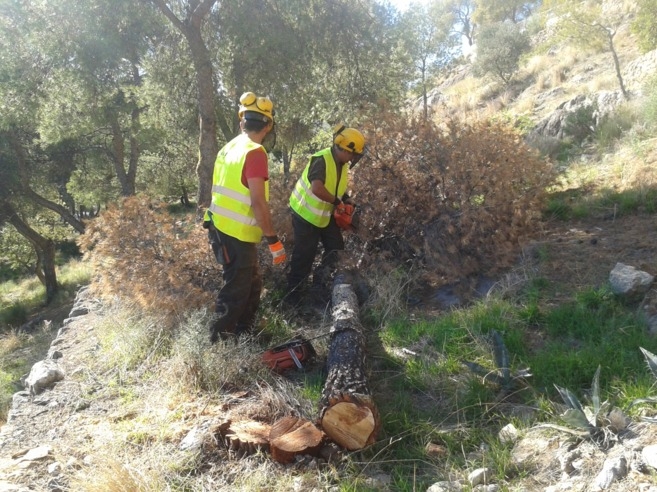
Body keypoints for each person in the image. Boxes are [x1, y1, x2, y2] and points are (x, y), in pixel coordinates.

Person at [203, 91, 286, 343]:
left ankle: (244, 337)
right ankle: (217, 348)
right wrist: (273, 241)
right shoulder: (255, 152)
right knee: (236, 291)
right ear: (269, 125)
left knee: (251, 286)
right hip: (235, 234)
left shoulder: (228, 148)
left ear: (242, 122)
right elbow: (258, 202)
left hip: (221, 228)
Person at [285, 125, 365, 306]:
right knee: (303, 258)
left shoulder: (342, 164)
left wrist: (346, 199)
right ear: (343, 148)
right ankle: (292, 301)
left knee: (336, 249)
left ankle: (319, 285)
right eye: (352, 154)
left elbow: (336, 188)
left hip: (324, 215)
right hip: (305, 214)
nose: (353, 158)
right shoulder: (321, 159)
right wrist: (338, 203)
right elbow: (317, 188)